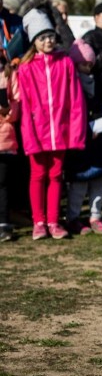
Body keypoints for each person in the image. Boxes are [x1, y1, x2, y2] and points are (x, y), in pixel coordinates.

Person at [14, 9, 87, 240]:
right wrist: (29, 133)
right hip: (36, 130)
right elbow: (25, 105)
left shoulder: (65, 63)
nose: (47, 41)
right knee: (37, 174)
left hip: (61, 130)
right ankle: (39, 222)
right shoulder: (25, 69)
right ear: (34, 41)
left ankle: (54, 221)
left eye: (50, 36)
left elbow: (76, 99)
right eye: (42, 37)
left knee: (56, 175)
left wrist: (76, 130)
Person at [64, 39, 102, 236]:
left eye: (89, 64)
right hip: (79, 140)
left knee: (98, 181)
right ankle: (73, 217)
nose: (86, 68)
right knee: (79, 182)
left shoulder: (98, 84)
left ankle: (96, 215)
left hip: (98, 138)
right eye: (82, 64)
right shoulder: (69, 85)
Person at [0, 60, 18, 242]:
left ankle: (3, 223)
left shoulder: (8, 74)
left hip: (3, 138)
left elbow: (16, 102)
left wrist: (7, 111)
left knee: (2, 183)